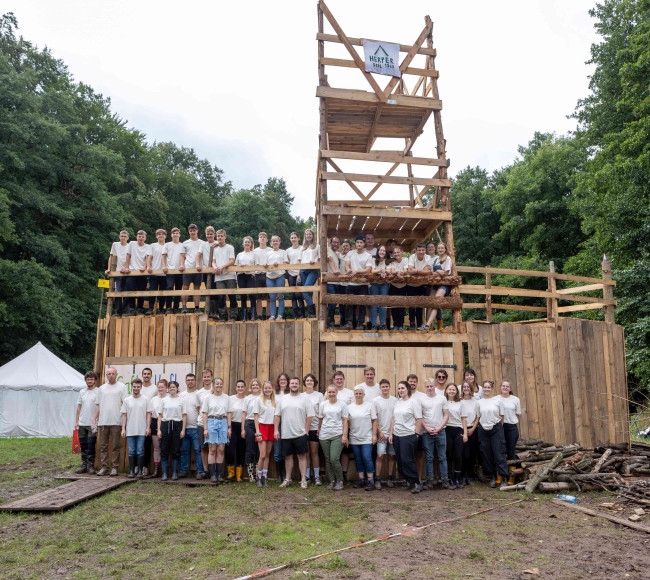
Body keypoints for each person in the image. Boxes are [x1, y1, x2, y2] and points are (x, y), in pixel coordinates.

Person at [274, 377, 314, 489]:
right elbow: (277, 415)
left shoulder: (305, 399)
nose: (294, 385)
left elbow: (310, 415)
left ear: (299, 385)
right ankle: (288, 479)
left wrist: (306, 429)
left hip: (300, 433)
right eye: (292, 383)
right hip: (286, 433)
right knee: (288, 457)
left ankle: (303, 480)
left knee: (302, 456)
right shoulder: (284, 399)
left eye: (296, 383)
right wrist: (276, 429)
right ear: (289, 385)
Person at [390, 381, 423, 493]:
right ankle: (409, 481)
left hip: (408, 435)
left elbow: (419, 419)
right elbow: (393, 419)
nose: (400, 390)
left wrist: (417, 434)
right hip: (397, 435)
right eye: (399, 388)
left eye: (402, 388)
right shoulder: (397, 402)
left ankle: (417, 482)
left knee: (407, 460)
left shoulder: (413, 402)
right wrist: (391, 434)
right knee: (399, 460)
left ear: (408, 389)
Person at [94, 367, 128, 476]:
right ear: (106, 375)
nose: (111, 376)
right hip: (103, 421)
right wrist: (94, 419)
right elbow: (97, 405)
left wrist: (124, 422)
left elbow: (125, 404)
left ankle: (114, 467)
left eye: (113, 373)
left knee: (115, 446)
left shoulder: (122, 387)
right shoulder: (102, 388)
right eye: (108, 374)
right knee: (103, 446)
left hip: (116, 421)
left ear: (116, 374)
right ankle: (104, 467)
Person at [477, 380, 508, 488]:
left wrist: (497, 426)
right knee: (487, 454)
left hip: (496, 428)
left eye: (488, 387)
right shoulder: (479, 402)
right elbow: (478, 416)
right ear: (483, 389)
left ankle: (504, 477)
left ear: (492, 389)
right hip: (483, 430)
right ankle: (492, 477)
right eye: (485, 387)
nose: (486, 389)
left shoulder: (498, 401)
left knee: (499, 453)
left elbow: (502, 416)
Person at [421, 377, 451, 489]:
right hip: (426, 432)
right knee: (429, 457)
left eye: (431, 386)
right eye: (427, 386)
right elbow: (420, 416)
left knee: (442, 457)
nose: (429, 388)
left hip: (441, 431)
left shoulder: (442, 398)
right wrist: (427, 428)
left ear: (434, 386)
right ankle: (429, 480)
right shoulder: (422, 400)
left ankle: (445, 480)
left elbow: (446, 415)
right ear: (425, 387)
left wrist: (439, 428)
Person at [318, 384, 349, 491]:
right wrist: (319, 430)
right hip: (324, 435)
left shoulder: (342, 404)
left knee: (334, 458)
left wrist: (344, 436)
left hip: (337, 434)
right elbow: (321, 419)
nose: (331, 394)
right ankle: (332, 481)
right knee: (327, 459)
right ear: (327, 393)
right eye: (329, 392)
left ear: (336, 392)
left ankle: (340, 481)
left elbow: (345, 420)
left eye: (333, 392)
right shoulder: (323, 404)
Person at [348, 385, 378, 490]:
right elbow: (346, 422)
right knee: (358, 459)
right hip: (354, 437)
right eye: (356, 393)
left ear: (364, 395)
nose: (358, 395)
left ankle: (370, 480)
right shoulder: (349, 407)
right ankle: (361, 479)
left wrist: (374, 435)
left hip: (367, 437)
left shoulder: (369, 406)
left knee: (367, 458)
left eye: (360, 393)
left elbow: (374, 421)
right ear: (354, 395)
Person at [120, 378, 151, 478]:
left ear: (141, 387)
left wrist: (148, 427)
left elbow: (148, 414)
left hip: (142, 430)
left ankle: (140, 471)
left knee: (140, 450)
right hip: (130, 430)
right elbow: (124, 415)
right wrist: (123, 428)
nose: (136, 388)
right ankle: (131, 471)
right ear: (132, 387)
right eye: (134, 386)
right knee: (132, 450)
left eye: (138, 387)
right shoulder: (127, 400)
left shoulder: (146, 399)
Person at [341, 235, 373, 330]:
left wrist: (356, 271)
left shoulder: (368, 255)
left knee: (362, 304)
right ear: (355, 244)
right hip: (351, 283)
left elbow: (368, 269)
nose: (359, 244)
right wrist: (348, 270)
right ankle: (349, 323)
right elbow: (347, 264)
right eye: (357, 242)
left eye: (361, 242)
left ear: (364, 244)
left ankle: (360, 324)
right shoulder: (350, 253)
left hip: (363, 284)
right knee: (349, 303)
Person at [201, 376, 230, 482]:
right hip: (211, 422)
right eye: (217, 383)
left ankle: (219, 474)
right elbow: (204, 413)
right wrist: (205, 428)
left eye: (220, 383)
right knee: (212, 449)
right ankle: (212, 474)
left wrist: (229, 427)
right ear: (213, 385)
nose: (219, 385)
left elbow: (229, 413)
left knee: (221, 449)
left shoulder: (226, 397)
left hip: (223, 422)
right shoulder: (208, 398)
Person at [179, 373, 206, 480]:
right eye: (188, 380)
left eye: (192, 380)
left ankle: (200, 471)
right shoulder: (181, 395)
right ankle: (183, 470)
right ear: (185, 382)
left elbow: (200, 410)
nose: (190, 382)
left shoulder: (198, 394)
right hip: (184, 428)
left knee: (198, 450)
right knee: (184, 450)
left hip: (196, 427)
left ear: (195, 381)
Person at [157, 380, 185, 481]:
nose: (172, 388)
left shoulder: (181, 400)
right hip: (166, 425)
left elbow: (184, 416)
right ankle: (164, 474)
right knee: (164, 449)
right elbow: (160, 415)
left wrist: (183, 430)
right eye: (170, 387)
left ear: (177, 388)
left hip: (177, 425)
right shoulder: (164, 400)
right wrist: (159, 430)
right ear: (168, 389)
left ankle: (174, 473)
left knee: (176, 450)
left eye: (174, 387)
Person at [423, 241, 452, 331]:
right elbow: (431, 272)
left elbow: (445, 273)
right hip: (435, 284)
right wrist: (439, 271)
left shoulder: (448, 259)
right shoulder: (436, 260)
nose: (440, 249)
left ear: (445, 250)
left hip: (444, 284)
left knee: (436, 303)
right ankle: (428, 325)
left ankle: (427, 325)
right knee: (430, 303)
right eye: (439, 248)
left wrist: (438, 271)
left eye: (442, 248)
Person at [373, 379, 397, 489]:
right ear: (380, 388)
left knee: (392, 456)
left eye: (387, 386)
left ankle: (390, 478)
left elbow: (395, 418)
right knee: (380, 455)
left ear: (390, 387)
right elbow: (374, 419)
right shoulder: (376, 401)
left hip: (393, 433)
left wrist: (391, 433)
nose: (385, 388)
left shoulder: (395, 400)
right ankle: (377, 479)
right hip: (381, 434)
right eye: (383, 386)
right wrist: (379, 432)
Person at [122, 230, 153, 315]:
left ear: (145, 238)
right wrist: (127, 267)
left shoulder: (148, 246)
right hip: (132, 271)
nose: (141, 238)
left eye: (142, 236)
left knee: (141, 291)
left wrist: (144, 267)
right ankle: (131, 309)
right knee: (130, 290)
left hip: (142, 272)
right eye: (139, 236)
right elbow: (128, 255)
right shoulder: (132, 244)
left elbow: (147, 258)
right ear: (136, 237)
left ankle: (140, 309)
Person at [74, 371, 99, 474]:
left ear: (95, 380)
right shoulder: (82, 392)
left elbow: (99, 406)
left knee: (91, 444)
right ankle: (83, 464)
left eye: (92, 379)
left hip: (92, 423)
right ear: (86, 380)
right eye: (88, 379)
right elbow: (79, 406)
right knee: (83, 445)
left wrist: (97, 420)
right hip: (82, 422)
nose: (90, 381)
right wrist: (77, 421)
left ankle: (91, 465)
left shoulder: (98, 391)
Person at [253, 380, 276, 487]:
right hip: (262, 427)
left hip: (271, 427)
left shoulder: (275, 401)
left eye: (269, 388)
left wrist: (276, 430)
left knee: (267, 454)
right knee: (262, 455)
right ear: (263, 389)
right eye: (266, 388)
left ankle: (265, 477)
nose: (267, 390)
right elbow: (256, 417)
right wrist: (258, 432)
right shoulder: (258, 400)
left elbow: (277, 416)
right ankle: (258, 477)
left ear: (272, 389)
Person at [212, 229, 237, 321]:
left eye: (221, 236)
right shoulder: (215, 249)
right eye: (218, 236)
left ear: (225, 237)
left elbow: (231, 261)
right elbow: (213, 261)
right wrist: (215, 267)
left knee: (232, 296)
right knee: (221, 297)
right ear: (216, 237)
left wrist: (222, 267)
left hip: (230, 275)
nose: (220, 237)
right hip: (219, 276)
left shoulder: (230, 247)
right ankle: (223, 316)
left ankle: (233, 316)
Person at [302, 373, 324, 484]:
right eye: (307, 381)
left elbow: (322, 412)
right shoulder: (301, 395)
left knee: (314, 452)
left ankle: (316, 476)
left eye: (311, 380)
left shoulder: (319, 395)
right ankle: (306, 476)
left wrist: (320, 428)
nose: (309, 382)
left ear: (314, 382)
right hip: (303, 428)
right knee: (305, 453)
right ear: (305, 383)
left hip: (315, 427)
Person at [499, 380, 521, 485]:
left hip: (511, 427)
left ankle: (512, 477)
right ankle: (501, 476)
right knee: (500, 451)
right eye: (503, 386)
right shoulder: (496, 399)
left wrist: (511, 421)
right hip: (500, 427)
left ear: (510, 389)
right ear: (500, 387)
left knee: (511, 451)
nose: (505, 388)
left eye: (507, 386)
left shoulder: (515, 399)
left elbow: (518, 414)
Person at [444, 383, 466, 488]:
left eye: (454, 389)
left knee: (458, 455)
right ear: (446, 391)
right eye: (450, 389)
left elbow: (463, 418)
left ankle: (457, 478)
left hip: (458, 429)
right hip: (447, 429)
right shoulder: (443, 402)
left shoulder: (461, 403)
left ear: (456, 391)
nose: (452, 391)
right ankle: (450, 478)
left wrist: (465, 433)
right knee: (449, 455)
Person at [226, 379, 247, 482]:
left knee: (241, 450)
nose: (240, 388)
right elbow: (228, 413)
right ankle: (231, 472)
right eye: (238, 387)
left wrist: (244, 429)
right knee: (230, 450)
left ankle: (239, 475)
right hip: (232, 426)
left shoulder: (247, 399)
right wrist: (229, 427)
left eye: (242, 387)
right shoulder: (231, 399)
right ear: (235, 388)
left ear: (245, 388)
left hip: (242, 427)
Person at [407, 243, 431, 330]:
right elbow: (409, 271)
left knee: (420, 304)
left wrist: (415, 270)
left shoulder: (428, 257)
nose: (421, 252)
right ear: (416, 250)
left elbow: (428, 271)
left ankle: (419, 324)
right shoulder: (412, 257)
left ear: (425, 250)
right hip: (411, 284)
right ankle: (412, 323)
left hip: (421, 284)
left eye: (423, 250)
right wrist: (421, 271)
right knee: (412, 304)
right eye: (419, 250)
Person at [242, 378, 262, 482]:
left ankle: (259, 473)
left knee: (259, 449)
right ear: (251, 387)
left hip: (260, 424)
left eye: (257, 385)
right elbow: (244, 414)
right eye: (253, 385)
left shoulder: (262, 397)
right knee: (250, 449)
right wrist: (243, 429)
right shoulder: (247, 399)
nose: (255, 387)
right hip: (249, 424)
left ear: (260, 386)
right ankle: (251, 475)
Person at [181, 224, 204, 313]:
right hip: (188, 268)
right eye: (190, 230)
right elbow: (182, 255)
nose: (192, 232)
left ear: (197, 231)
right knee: (185, 287)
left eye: (194, 230)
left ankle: (197, 307)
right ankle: (184, 306)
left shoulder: (202, 242)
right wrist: (182, 265)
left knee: (197, 288)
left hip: (198, 269)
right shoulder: (185, 243)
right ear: (189, 231)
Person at [460, 382, 480, 485]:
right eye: (464, 387)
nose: (466, 388)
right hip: (462, 430)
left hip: (473, 429)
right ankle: (462, 476)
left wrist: (473, 428)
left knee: (472, 454)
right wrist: (465, 430)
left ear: (471, 389)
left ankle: (470, 477)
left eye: (468, 387)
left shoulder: (475, 402)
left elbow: (478, 416)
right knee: (464, 455)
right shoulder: (459, 401)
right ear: (462, 389)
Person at [264, 235, 288, 320]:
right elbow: (265, 264)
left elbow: (286, 263)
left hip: (279, 276)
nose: (275, 242)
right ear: (271, 243)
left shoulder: (283, 252)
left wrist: (278, 264)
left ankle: (280, 315)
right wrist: (266, 265)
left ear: (279, 242)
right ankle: (273, 315)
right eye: (273, 241)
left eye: (276, 241)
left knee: (280, 296)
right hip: (269, 276)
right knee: (272, 297)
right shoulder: (268, 253)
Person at [162, 227, 186, 313]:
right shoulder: (167, 245)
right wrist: (164, 266)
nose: (175, 234)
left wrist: (182, 265)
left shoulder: (182, 245)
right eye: (173, 233)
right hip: (170, 270)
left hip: (180, 271)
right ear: (171, 235)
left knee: (178, 289)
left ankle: (176, 307)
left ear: (179, 235)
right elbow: (163, 256)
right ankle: (168, 307)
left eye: (177, 233)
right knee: (169, 287)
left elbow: (184, 257)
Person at [106, 230, 129, 315]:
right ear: (119, 237)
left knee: (127, 292)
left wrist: (127, 268)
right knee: (117, 291)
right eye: (121, 236)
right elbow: (111, 257)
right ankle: (118, 311)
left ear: (127, 238)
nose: (123, 238)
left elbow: (131, 258)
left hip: (128, 272)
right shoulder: (115, 245)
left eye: (124, 236)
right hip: (117, 271)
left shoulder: (130, 246)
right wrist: (109, 269)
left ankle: (124, 310)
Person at [273, 372, 290, 482]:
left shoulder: (290, 393)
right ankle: (279, 474)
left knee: (285, 450)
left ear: (287, 381)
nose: (283, 381)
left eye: (284, 379)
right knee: (277, 449)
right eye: (281, 380)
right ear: (278, 382)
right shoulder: (274, 393)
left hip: (288, 423)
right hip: (277, 422)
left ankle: (285, 474)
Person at [235, 236, 258, 321]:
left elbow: (257, 266)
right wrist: (239, 266)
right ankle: (244, 316)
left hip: (250, 276)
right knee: (243, 295)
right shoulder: (240, 254)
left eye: (249, 242)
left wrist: (250, 267)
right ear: (243, 243)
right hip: (241, 275)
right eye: (245, 242)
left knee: (252, 295)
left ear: (251, 244)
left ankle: (252, 315)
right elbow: (235, 265)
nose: (247, 243)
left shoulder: (254, 254)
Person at [149, 379, 168, 477]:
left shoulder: (169, 398)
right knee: (156, 447)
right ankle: (156, 469)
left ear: (166, 388)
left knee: (166, 447)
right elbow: (150, 413)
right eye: (159, 387)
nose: (160, 389)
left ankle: (166, 469)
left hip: (166, 422)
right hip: (155, 422)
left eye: (162, 387)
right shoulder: (153, 399)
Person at [299, 229, 320, 318]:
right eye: (306, 234)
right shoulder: (302, 247)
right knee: (307, 293)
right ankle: (311, 314)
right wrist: (298, 274)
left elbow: (320, 259)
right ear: (305, 236)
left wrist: (315, 263)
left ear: (313, 235)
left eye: (310, 234)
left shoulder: (317, 246)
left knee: (305, 289)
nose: (308, 235)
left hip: (313, 270)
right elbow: (300, 261)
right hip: (303, 270)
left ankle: (312, 313)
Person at [369, 245, 391, 330]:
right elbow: (372, 270)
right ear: (378, 252)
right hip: (374, 284)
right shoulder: (373, 260)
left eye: (384, 251)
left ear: (386, 253)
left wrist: (385, 271)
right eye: (380, 250)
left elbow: (389, 271)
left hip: (384, 284)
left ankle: (382, 324)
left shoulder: (388, 261)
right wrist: (380, 271)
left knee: (383, 304)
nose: (382, 252)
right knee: (374, 304)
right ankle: (373, 324)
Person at [196, 369, 214, 475]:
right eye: (204, 377)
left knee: (213, 448)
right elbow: (199, 408)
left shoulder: (215, 390)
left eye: (208, 376)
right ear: (202, 378)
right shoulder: (199, 393)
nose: (206, 379)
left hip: (213, 423)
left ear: (211, 377)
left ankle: (213, 470)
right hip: (202, 424)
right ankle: (205, 470)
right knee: (203, 448)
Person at [284, 232, 305, 319]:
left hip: (299, 273)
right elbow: (286, 262)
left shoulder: (302, 248)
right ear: (290, 239)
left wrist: (299, 273)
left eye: (295, 237)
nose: (293, 239)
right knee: (293, 295)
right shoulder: (288, 250)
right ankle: (295, 315)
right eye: (292, 238)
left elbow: (303, 261)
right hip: (290, 274)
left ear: (298, 238)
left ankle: (302, 314)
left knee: (299, 294)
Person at [147, 229, 167, 314]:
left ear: (165, 236)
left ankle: (161, 309)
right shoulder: (152, 245)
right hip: (154, 272)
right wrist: (148, 266)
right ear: (156, 236)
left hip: (165, 273)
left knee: (163, 292)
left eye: (163, 234)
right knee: (152, 291)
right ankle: (151, 309)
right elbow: (149, 257)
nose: (161, 235)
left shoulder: (168, 245)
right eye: (159, 234)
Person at [388, 246, 408, 330]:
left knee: (401, 306)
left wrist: (402, 273)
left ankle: (401, 324)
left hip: (403, 286)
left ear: (402, 252)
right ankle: (395, 324)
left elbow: (406, 269)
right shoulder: (392, 261)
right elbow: (391, 270)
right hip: (393, 286)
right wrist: (397, 273)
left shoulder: (406, 260)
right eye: (395, 253)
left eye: (398, 252)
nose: (396, 254)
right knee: (393, 306)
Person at [253, 232, 272, 320]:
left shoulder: (271, 250)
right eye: (260, 237)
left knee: (269, 297)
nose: (262, 238)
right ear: (258, 239)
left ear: (267, 240)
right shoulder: (254, 251)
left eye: (264, 237)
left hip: (268, 275)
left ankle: (269, 315)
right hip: (257, 275)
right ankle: (259, 316)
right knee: (258, 298)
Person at [326, 237, 342, 328]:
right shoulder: (327, 250)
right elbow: (330, 260)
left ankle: (331, 321)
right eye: (334, 242)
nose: (336, 244)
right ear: (330, 243)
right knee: (332, 301)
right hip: (330, 280)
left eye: (338, 243)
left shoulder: (337, 254)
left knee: (335, 301)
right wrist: (334, 270)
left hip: (337, 282)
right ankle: (330, 322)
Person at [202, 226, 218, 317]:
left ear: (214, 234)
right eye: (208, 234)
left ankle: (217, 312)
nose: (209, 235)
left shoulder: (218, 243)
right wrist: (197, 264)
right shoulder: (203, 244)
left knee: (216, 290)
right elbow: (198, 254)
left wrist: (218, 244)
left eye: (211, 234)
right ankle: (211, 312)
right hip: (206, 269)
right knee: (208, 290)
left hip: (216, 269)